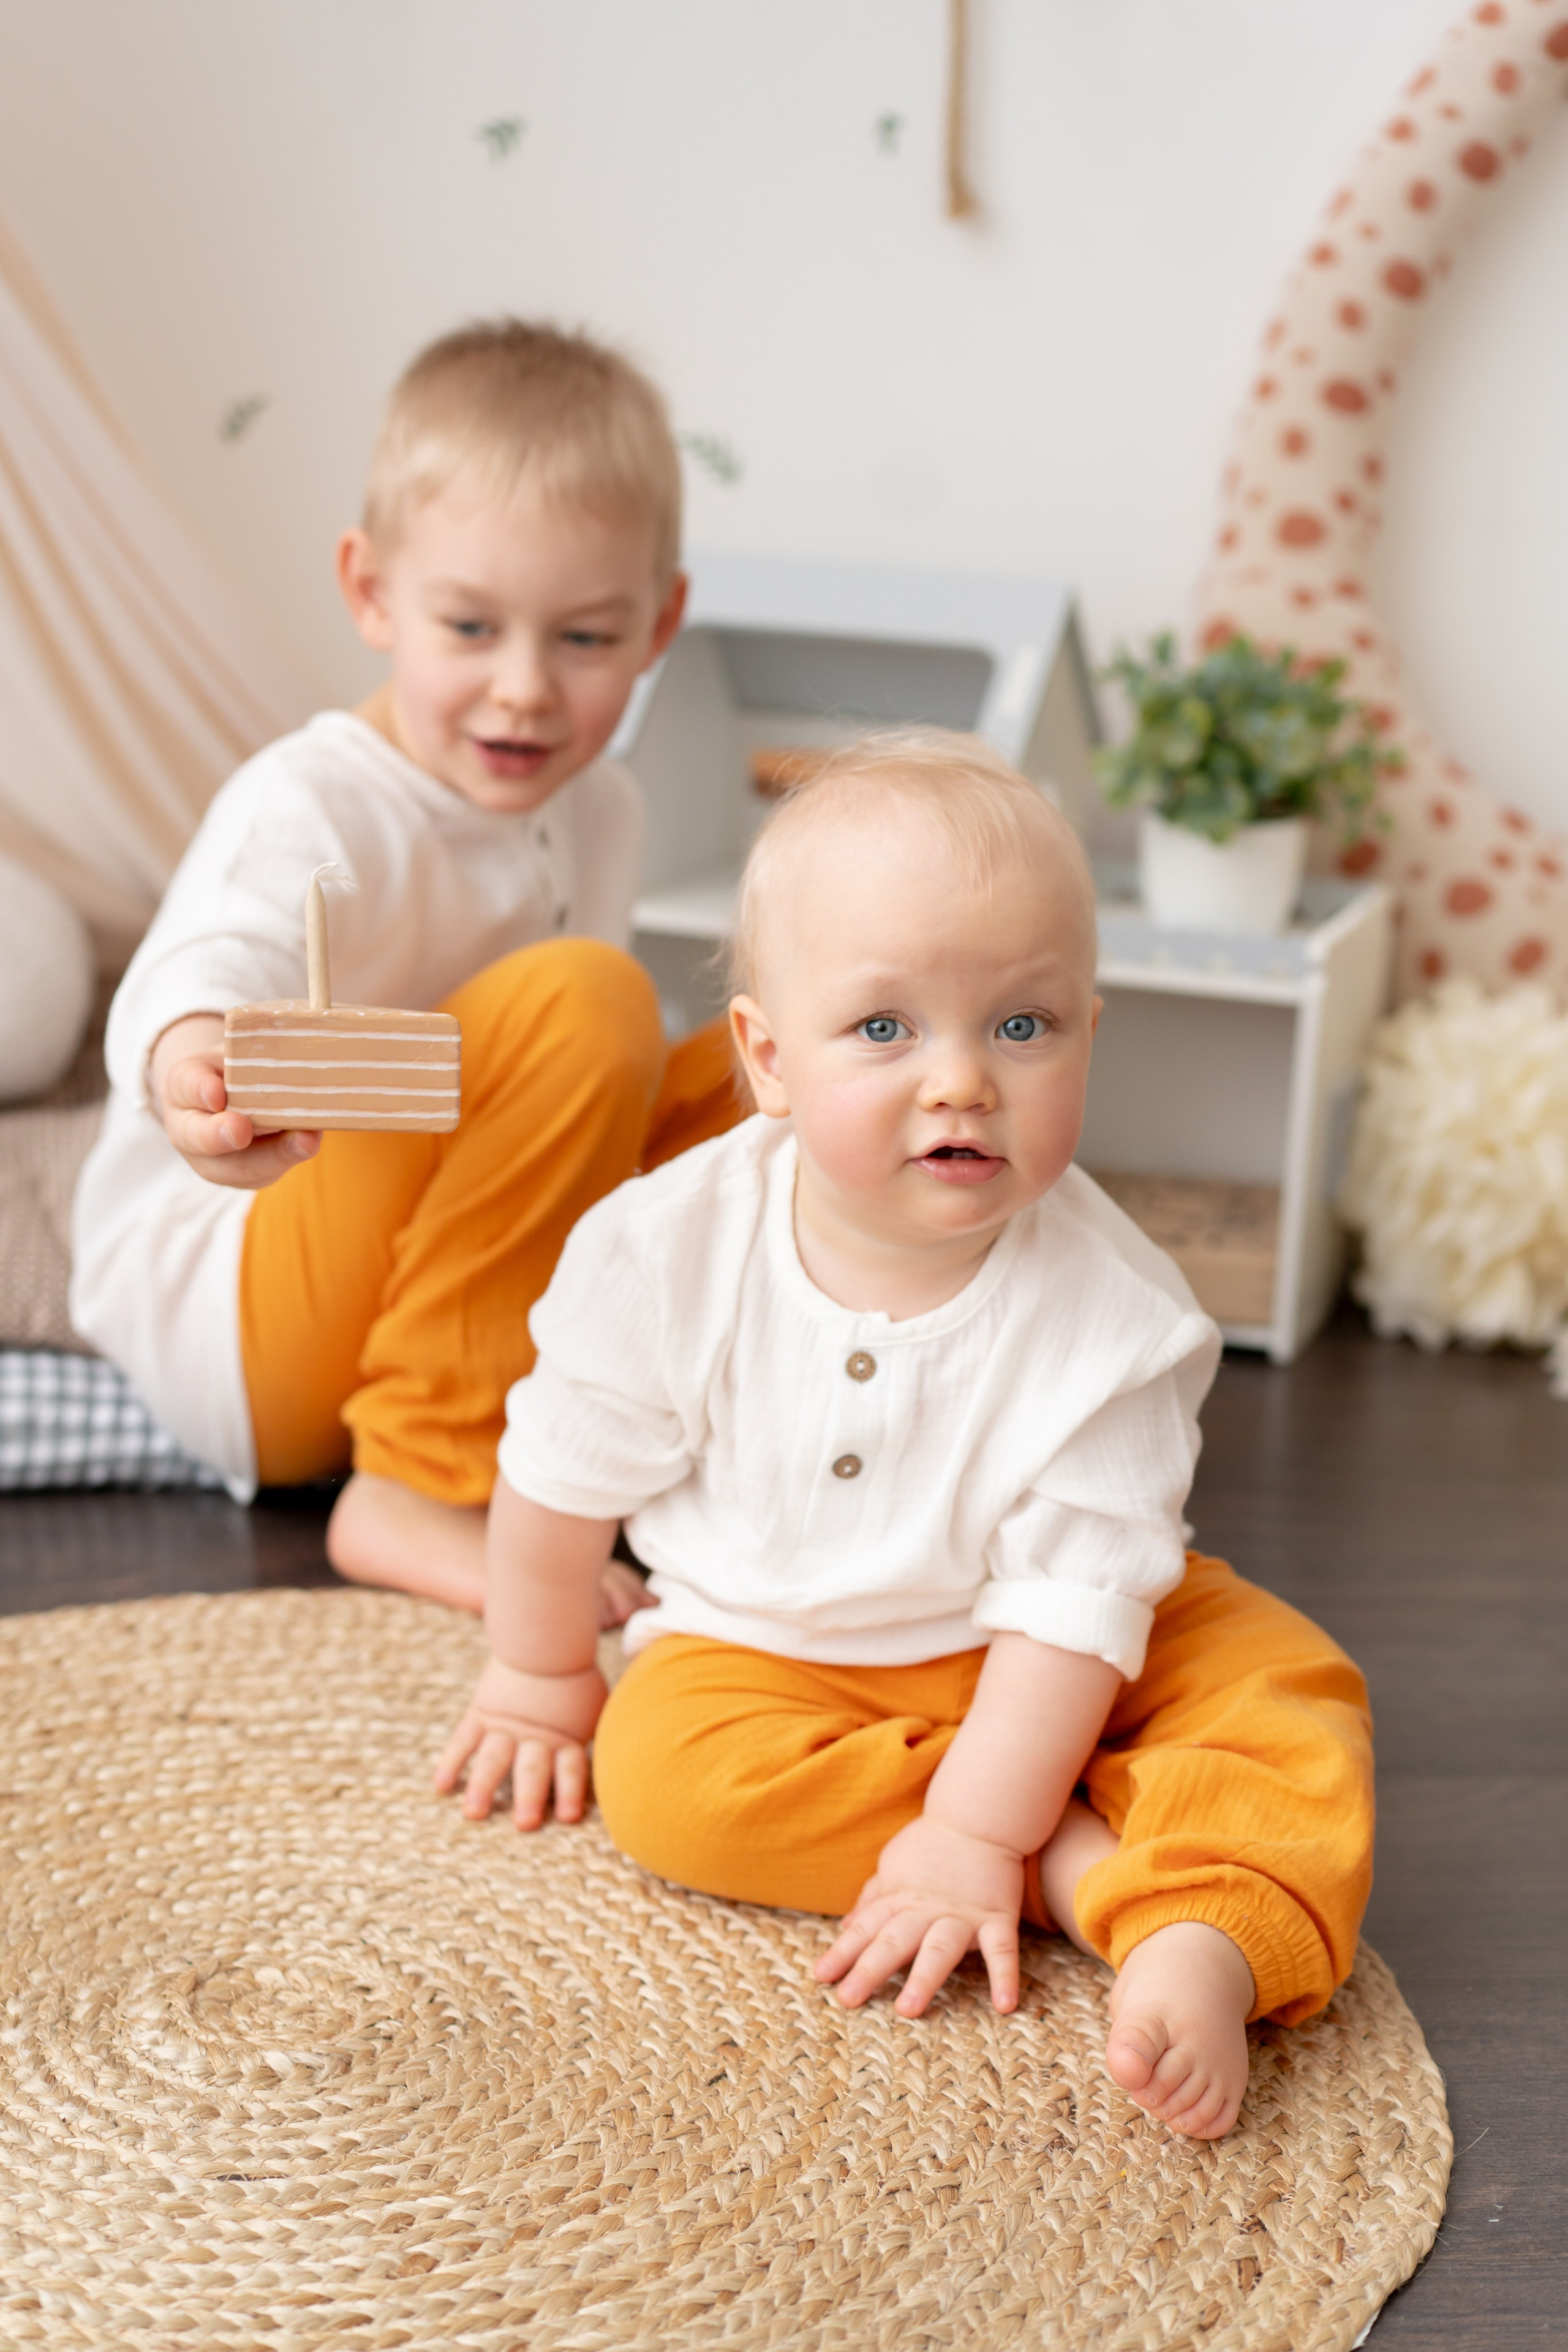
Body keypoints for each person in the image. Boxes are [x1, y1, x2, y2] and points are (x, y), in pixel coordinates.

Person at [435, 728, 1374, 2139]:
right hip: (765, 1649)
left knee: (1287, 1692)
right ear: (767, 1059)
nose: (960, 1080)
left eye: (1020, 1026)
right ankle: (1086, 1871)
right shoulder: (664, 1250)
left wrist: (970, 1826)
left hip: (1052, 1640)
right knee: (668, 1785)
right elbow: (557, 1481)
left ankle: (1208, 1934)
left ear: (1087, 1034)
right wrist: (534, 1669)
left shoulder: (1118, 1320)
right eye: (884, 1029)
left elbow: (1073, 1609)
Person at [71, 318, 738, 1618]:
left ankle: (736, 1430)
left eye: (584, 640)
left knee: (781, 1067)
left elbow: (562, 1113)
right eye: (471, 626)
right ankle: (419, 1485)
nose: (524, 689)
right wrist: (195, 1060)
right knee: (585, 1000)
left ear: (660, 623)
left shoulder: (602, 807)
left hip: (427, 1280)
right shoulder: (315, 800)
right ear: (373, 593)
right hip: (243, 1307)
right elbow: (210, 955)